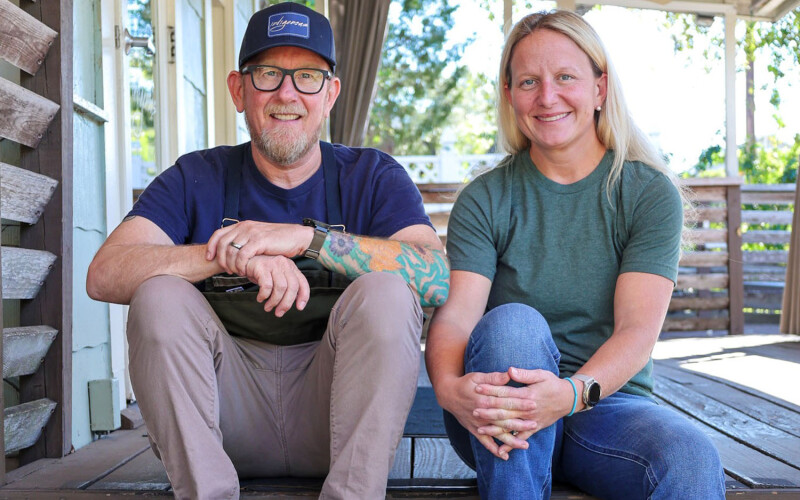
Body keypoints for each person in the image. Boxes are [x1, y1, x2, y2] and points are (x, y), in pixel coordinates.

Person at [86, 3, 449, 499]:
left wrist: (310, 240)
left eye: (307, 77)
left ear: (331, 95)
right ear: (239, 90)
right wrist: (229, 253)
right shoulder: (197, 176)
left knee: (389, 291)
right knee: (158, 297)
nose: (286, 93)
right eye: (268, 74)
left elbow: (434, 277)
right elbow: (105, 272)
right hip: (223, 424)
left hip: (338, 420)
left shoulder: (373, 176)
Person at [425, 10, 725, 500]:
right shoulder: (486, 198)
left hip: (603, 409)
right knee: (513, 325)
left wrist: (567, 396)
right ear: (509, 95)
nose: (547, 96)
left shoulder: (647, 194)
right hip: (500, 412)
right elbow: (457, 317)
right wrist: (446, 389)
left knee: (690, 457)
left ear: (600, 89)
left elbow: (636, 333)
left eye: (565, 77)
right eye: (528, 81)